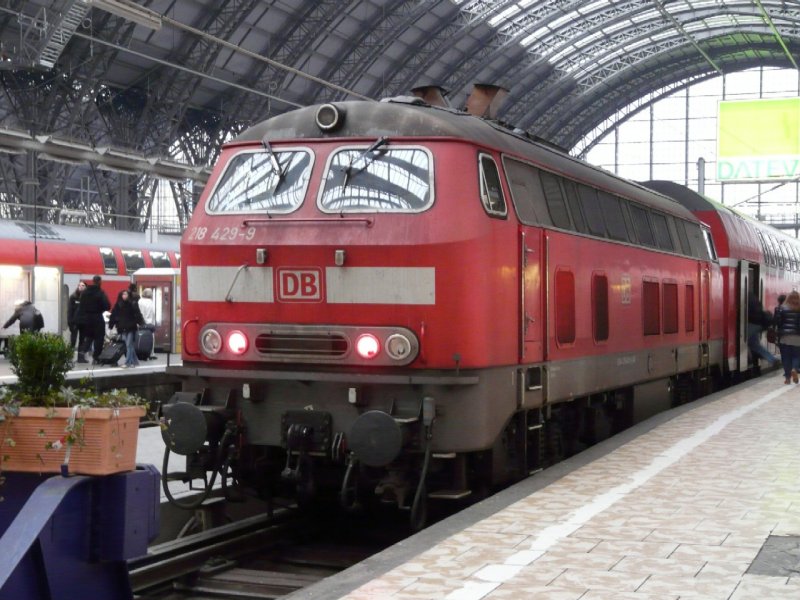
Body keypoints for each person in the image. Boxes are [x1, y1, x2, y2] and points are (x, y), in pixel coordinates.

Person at [77, 275, 111, 364]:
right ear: (100, 282)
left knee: (88, 337)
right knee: (99, 338)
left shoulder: (84, 293)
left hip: (87, 319)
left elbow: (81, 307)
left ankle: (81, 354)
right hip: (97, 318)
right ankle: (96, 357)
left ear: (92, 281)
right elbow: (107, 306)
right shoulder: (100, 292)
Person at [109, 289, 144, 368]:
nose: (124, 296)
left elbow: (137, 314)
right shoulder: (118, 304)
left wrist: (141, 323)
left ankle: (128, 362)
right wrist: (112, 324)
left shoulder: (132, 304)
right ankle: (135, 361)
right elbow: (114, 315)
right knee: (129, 345)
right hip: (122, 327)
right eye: (123, 294)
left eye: (126, 294)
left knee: (128, 344)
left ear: (128, 295)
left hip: (130, 327)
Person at [774, 291, 800, 383]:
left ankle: (787, 378)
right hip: (797, 337)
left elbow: (778, 322)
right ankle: (795, 369)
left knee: (786, 357)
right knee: (797, 356)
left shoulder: (782, 308)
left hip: (785, 336)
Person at [747, 294, 777, 369]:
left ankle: (771, 359)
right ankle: (769, 358)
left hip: (752, 323)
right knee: (754, 343)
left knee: (750, 342)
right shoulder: (753, 297)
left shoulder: (746, 297)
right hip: (758, 323)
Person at [67, 281, 86, 350]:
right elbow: (70, 310)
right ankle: (70, 355)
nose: (81, 287)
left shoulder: (87, 297)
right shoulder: (73, 297)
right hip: (75, 322)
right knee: (73, 339)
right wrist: (70, 322)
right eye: (80, 285)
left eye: (83, 285)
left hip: (84, 322)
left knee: (82, 340)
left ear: (85, 287)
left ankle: (81, 357)